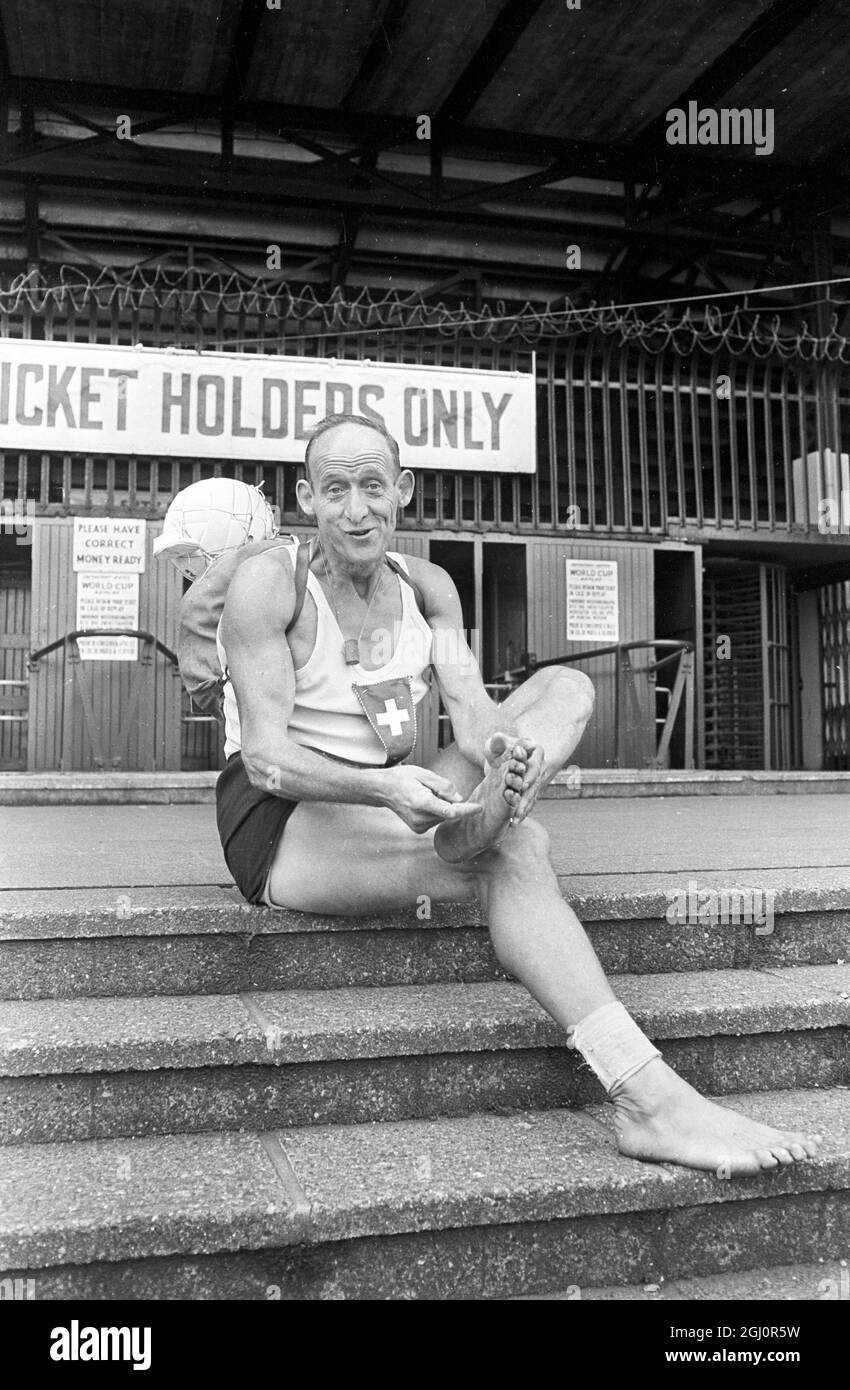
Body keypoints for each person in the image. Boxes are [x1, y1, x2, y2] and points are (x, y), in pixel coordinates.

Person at [217, 412, 821, 1177]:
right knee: (516, 852)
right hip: (287, 818)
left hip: (402, 793)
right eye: (335, 489)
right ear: (307, 496)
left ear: (402, 491)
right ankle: (649, 1100)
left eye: (373, 486)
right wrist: (383, 787)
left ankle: (491, 811)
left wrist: (507, 751)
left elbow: (470, 716)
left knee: (565, 687)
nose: (356, 509)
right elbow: (268, 758)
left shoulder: (428, 589)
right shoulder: (272, 583)